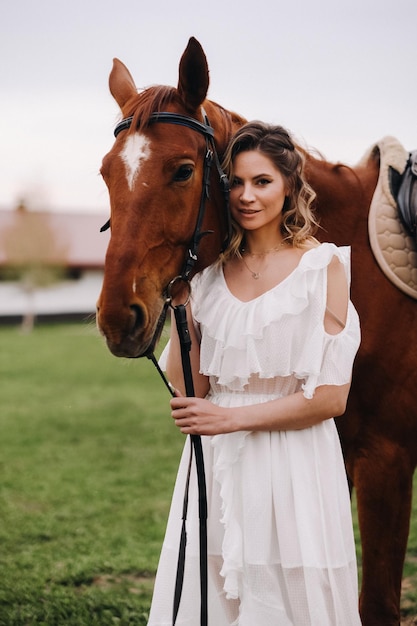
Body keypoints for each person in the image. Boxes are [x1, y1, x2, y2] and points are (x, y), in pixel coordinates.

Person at [147, 122, 362, 625]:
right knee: (213, 587)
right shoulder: (205, 278)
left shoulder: (322, 269)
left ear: (289, 187)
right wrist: (182, 310)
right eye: (235, 183)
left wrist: (229, 419)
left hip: (295, 462)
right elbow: (194, 389)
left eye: (261, 181)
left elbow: (331, 399)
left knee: (291, 590)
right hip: (219, 464)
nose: (246, 196)